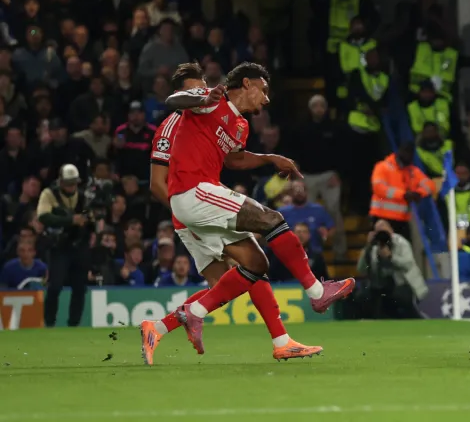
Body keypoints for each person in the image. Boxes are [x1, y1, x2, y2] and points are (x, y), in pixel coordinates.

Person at [162, 62, 355, 356]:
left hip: (202, 196)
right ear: (247, 84)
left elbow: (234, 161)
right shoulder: (213, 99)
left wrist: (270, 158)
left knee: (256, 263)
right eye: (263, 90)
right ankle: (317, 292)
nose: (266, 99)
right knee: (273, 219)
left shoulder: (241, 125)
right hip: (192, 191)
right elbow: (172, 100)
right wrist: (204, 98)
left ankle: (201, 313)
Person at [38, 164, 92, 327]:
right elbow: (43, 217)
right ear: (60, 182)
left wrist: (87, 221)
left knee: (80, 287)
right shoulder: (49, 194)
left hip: (79, 245)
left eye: (74, 183)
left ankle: (74, 324)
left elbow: (89, 218)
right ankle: (49, 323)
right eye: (68, 183)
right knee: (55, 286)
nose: (71, 187)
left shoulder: (83, 197)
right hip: (59, 246)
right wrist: (70, 220)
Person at [354, 220, 427, 319]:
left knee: (400, 296)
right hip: (382, 286)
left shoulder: (401, 243)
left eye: (385, 231)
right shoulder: (374, 247)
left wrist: (391, 257)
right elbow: (361, 269)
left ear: (391, 231)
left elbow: (408, 264)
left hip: (404, 284)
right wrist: (367, 247)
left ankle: (416, 319)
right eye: (379, 232)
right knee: (362, 296)